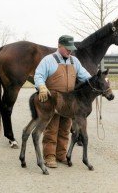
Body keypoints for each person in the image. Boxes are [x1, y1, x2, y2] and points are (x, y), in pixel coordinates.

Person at [34, 35, 91, 167]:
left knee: (65, 129)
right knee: (51, 129)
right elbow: (39, 75)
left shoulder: (74, 61)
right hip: (53, 100)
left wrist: (99, 81)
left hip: (69, 102)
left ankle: (61, 155)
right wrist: (41, 87)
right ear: (59, 46)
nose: (70, 51)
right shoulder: (48, 60)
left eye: (71, 49)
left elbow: (85, 76)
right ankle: (49, 157)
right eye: (67, 49)